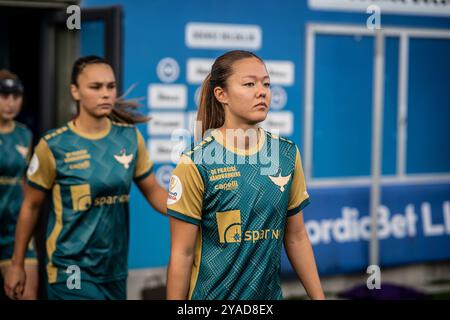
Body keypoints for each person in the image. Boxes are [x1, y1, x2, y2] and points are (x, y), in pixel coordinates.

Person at [4, 56, 167, 300]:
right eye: (96, 87)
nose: (106, 94)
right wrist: (17, 264)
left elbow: (155, 192)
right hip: (70, 269)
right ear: (75, 91)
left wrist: (196, 209)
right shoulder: (54, 144)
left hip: (114, 270)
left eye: (110, 87)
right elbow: (31, 205)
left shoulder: (130, 139)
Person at [166, 50, 324, 300]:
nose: (262, 91)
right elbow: (181, 255)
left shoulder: (286, 154)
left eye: (266, 83)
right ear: (221, 95)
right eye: (249, 84)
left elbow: (296, 237)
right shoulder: (196, 163)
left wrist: (319, 298)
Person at [0, 70, 39, 300]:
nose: (11, 103)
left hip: (14, 231)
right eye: (4, 96)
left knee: (25, 294)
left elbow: (27, 185)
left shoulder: (25, 135)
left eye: (16, 97)